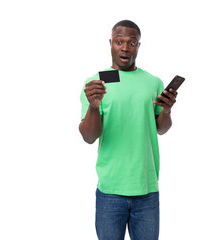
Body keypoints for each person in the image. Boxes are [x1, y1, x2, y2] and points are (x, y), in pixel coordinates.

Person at [79, 20, 178, 240]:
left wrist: (167, 110)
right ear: (111, 43)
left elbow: (161, 129)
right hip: (110, 190)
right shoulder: (96, 83)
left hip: (147, 188)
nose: (125, 47)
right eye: (119, 41)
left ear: (138, 46)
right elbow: (88, 137)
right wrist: (94, 107)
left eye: (132, 42)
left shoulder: (153, 82)